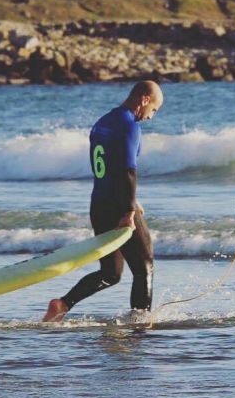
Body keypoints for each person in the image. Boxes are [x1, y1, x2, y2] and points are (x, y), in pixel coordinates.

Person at [43, 80, 163, 322]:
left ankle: (63, 304)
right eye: (154, 109)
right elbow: (127, 170)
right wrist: (129, 209)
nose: (151, 117)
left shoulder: (102, 123)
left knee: (111, 273)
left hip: (99, 204)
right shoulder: (129, 125)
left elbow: (110, 168)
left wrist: (132, 200)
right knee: (145, 267)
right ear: (144, 100)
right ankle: (139, 325)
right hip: (119, 207)